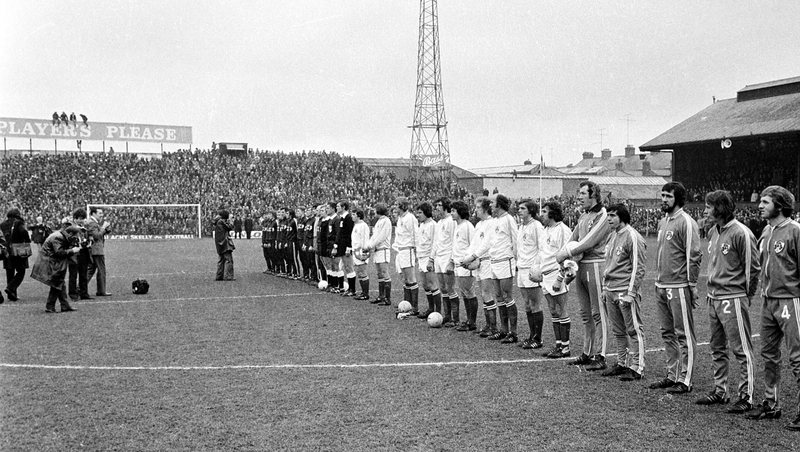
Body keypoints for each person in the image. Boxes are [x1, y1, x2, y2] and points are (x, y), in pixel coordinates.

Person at [696, 190, 759, 414]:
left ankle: (746, 397)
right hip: (713, 298)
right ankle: (720, 391)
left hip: (732, 298)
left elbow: (753, 269)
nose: (704, 210)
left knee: (741, 349)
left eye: (708, 206)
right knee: (716, 348)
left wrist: (745, 296)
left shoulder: (741, 233)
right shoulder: (714, 231)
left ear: (720, 208)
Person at [746, 185, 800, 430]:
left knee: (797, 358)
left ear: (780, 205)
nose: (760, 205)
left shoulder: (795, 231)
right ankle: (771, 403)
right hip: (768, 302)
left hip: (790, 301)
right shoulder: (767, 231)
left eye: (766, 202)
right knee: (769, 354)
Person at [649, 182, 702, 394]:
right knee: (667, 333)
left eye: (668, 196)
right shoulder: (664, 222)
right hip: (661, 285)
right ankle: (672, 375)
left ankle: (686, 379)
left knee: (684, 333)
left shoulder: (686, 222)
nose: (663, 199)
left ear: (678, 199)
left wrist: (692, 284)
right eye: (662, 195)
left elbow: (694, 255)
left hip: (679, 285)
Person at [556, 181, 613, 370]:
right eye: (579, 193)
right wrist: (564, 257)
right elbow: (572, 240)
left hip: (596, 265)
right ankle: (587, 353)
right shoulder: (583, 216)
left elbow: (588, 242)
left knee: (598, 313)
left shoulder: (602, 216)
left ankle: (601, 355)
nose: (579, 197)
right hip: (580, 266)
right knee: (585, 313)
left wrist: (566, 254)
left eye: (582, 193)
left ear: (593, 194)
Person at [600, 203, 647, 381]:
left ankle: (637, 367)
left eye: (612, 215)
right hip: (611, 290)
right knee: (618, 331)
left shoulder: (632, 236)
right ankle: (622, 363)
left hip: (624, 291)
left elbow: (639, 267)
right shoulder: (612, 236)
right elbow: (608, 264)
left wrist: (631, 293)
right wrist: (605, 288)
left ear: (622, 217)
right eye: (608, 215)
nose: (609, 219)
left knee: (634, 330)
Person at [463, 193, 518, 343]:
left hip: (505, 261)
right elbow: (486, 243)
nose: (491, 205)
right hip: (494, 262)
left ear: (499, 204)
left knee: (507, 297)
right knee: (499, 297)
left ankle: (513, 332)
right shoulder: (495, 221)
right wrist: (472, 257)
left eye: (493, 203)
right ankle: (503, 330)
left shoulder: (508, 219)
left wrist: (516, 261)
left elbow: (516, 241)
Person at [539, 201, 573, 359]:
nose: (542, 215)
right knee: (553, 311)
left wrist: (560, 278)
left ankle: (565, 348)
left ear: (553, 213)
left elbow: (567, 257)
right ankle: (558, 345)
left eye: (545, 212)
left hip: (556, 275)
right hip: (545, 275)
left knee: (561, 310)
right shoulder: (545, 230)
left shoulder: (563, 230)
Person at [30, 224, 82, 313]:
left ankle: (64, 305)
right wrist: (73, 250)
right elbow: (59, 252)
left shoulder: (60, 235)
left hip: (51, 261)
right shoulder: (58, 237)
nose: (76, 238)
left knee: (60, 283)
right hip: (49, 262)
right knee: (57, 283)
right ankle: (50, 306)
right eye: (76, 236)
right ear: (70, 233)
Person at [515, 199, 546, 349]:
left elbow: (542, 248)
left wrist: (536, 267)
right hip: (521, 268)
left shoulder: (537, 226)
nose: (519, 210)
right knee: (527, 305)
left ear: (531, 210)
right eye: (519, 208)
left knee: (535, 304)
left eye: (523, 208)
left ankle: (538, 338)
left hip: (531, 269)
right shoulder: (521, 226)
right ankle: (530, 335)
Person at [465, 197, 497, 337]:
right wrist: (467, 257)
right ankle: (488, 325)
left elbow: (487, 244)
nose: (475, 210)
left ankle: (493, 326)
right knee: (483, 294)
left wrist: (473, 257)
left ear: (485, 208)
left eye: (478, 208)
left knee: (486, 293)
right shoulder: (479, 225)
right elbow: (474, 244)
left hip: (487, 261)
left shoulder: (492, 223)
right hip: (478, 262)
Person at [450, 200, 477, 331]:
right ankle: (468, 320)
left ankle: (472, 322)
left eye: (453, 211)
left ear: (460, 211)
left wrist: (470, 262)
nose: (451, 213)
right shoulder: (457, 226)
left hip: (466, 265)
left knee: (469, 292)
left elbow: (473, 244)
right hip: (458, 264)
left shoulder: (468, 226)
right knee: (464, 292)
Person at [432, 198, 457, 326]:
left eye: (439, 205)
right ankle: (447, 316)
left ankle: (455, 319)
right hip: (438, 258)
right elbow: (435, 242)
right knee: (442, 288)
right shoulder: (439, 222)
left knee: (450, 288)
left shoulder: (451, 222)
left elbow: (454, 242)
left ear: (446, 206)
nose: (437, 207)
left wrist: (452, 260)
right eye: (436, 205)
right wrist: (432, 258)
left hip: (447, 256)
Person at [415, 202, 441, 318]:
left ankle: (438, 311)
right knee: (425, 285)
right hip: (421, 257)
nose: (417, 215)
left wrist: (431, 259)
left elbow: (434, 243)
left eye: (420, 212)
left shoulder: (433, 225)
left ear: (426, 212)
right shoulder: (421, 225)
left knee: (432, 284)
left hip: (429, 258)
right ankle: (431, 308)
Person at [393, 197, 419, 310]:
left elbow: (415, 235)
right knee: (404, 278)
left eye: (396, 205)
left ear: (402, 206)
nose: (395, 207)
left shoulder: (410, 218)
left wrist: (416, 251)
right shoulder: (400, 219)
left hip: (408, 250)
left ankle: (414, 307)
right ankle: (406, 304)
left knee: (411, 278)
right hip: (401, 250)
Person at [1, 208, 31, 302]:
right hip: (18, 249)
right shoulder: (18, 222)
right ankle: (11, 288)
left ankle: (12, 295)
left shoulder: (2, 224)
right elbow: (24, 232)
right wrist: (27, 241)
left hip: (6, 250)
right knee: (21, 271)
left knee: (10, 271)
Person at [366, 203, 392, 306]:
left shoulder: (386, 221)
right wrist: (368, 245)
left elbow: (381, 237)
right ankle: (381, 296)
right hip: (377, 250)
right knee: (379, 273)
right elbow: (374, 236)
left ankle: (387, 298)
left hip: (383, 249)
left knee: (385, 272)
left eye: (375, 210)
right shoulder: (379, 221)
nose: (374, 211)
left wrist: (370, 245)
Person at [86, 207, 112, 296]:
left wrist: (106, 229)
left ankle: (80, 288)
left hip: (94, 250)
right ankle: (101, 291)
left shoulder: (94, 223)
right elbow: (96, 236)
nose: (102, 215)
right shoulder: (92, 223)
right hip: (97, 250)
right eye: (100, 213)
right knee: (101, 270)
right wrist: (103, 227)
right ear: (93, 214)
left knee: (91, 270)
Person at [68, 210, 93, 301]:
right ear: (75, 219)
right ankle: (73, 294)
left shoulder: (85, 228)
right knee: (73, 275)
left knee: (83, 274)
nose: (81, 221)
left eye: (82, 219)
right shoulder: (70, 228)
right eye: (79, 219)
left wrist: (89, 241)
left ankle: (84, 293)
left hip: (84, 253)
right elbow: (68, 240)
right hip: (74, 254)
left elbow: (90, 238)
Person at [333, 200, 356, 297]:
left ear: (343, 207)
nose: (336, 208)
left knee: (349, 267)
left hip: (346, 247)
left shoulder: (348, 218)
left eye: (338, 206)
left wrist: (349, 247)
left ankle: (352, 290)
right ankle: (347, 288)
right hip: (342, 247)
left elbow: (349, 234)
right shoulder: (342, 218)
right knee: (343, 267)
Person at [351, 209, 371, 300]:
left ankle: (365, 294)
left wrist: (364, 253)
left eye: (354, 214)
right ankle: (363, 292)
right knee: (359, 272)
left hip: (360, 251)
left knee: (362, 271)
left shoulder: (363, 226)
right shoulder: (356, 225)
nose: (352, 216)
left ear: (358, 216)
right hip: (355, 251)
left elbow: (364, 239)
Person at [214, 209, 235, 281]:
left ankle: (219, 276)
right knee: (228, 260)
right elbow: (230, 227)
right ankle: (228, 276)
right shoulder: (222, 221)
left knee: (221, 260)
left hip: (219, 243)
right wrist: (231, 220)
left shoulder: (217, 221)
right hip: (225, 243)